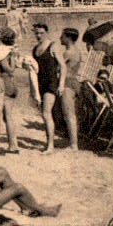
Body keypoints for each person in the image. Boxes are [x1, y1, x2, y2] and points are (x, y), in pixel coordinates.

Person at [32, 23, 70, 154]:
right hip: (40, 83)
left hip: (51, 83)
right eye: (36, 33)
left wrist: (61, 84)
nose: (39, 36)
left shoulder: (53, 46)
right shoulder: (35, 49)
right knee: (45, 114)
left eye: (41, 33)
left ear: (46, 33)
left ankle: (50, 146)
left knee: (46, 113)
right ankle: (49, 142)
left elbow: (63, 66)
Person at [59, 28, 82, 149]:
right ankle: (73, 141)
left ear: (68, 38)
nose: (60, 38)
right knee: (71, 114)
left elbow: (58, 68)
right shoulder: (77, 51)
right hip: (74, 82)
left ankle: (74, 145)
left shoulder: (68, 53)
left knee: (69, 114)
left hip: (68, 83)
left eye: (62, 36)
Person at [0, 28, 20, 153]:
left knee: (7, 116)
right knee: (8, 117)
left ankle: (13, 145)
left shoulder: (4, 52)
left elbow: (9, 69)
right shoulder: (12, 51)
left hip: (5, 83)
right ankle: (13, 143)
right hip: (12, 84)